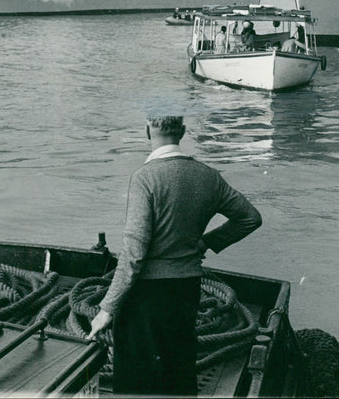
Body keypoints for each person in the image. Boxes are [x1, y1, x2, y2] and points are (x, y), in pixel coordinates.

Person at [87, 113, 262, 396]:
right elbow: (250, 218)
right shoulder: (208, 176)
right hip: (186, 289)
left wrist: (107, 309)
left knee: (137, 381)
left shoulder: (145, 178)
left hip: (145, 295)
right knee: (178, 369)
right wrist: (206, 243)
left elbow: (134, 252)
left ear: (147, 130)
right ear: (182, 131)